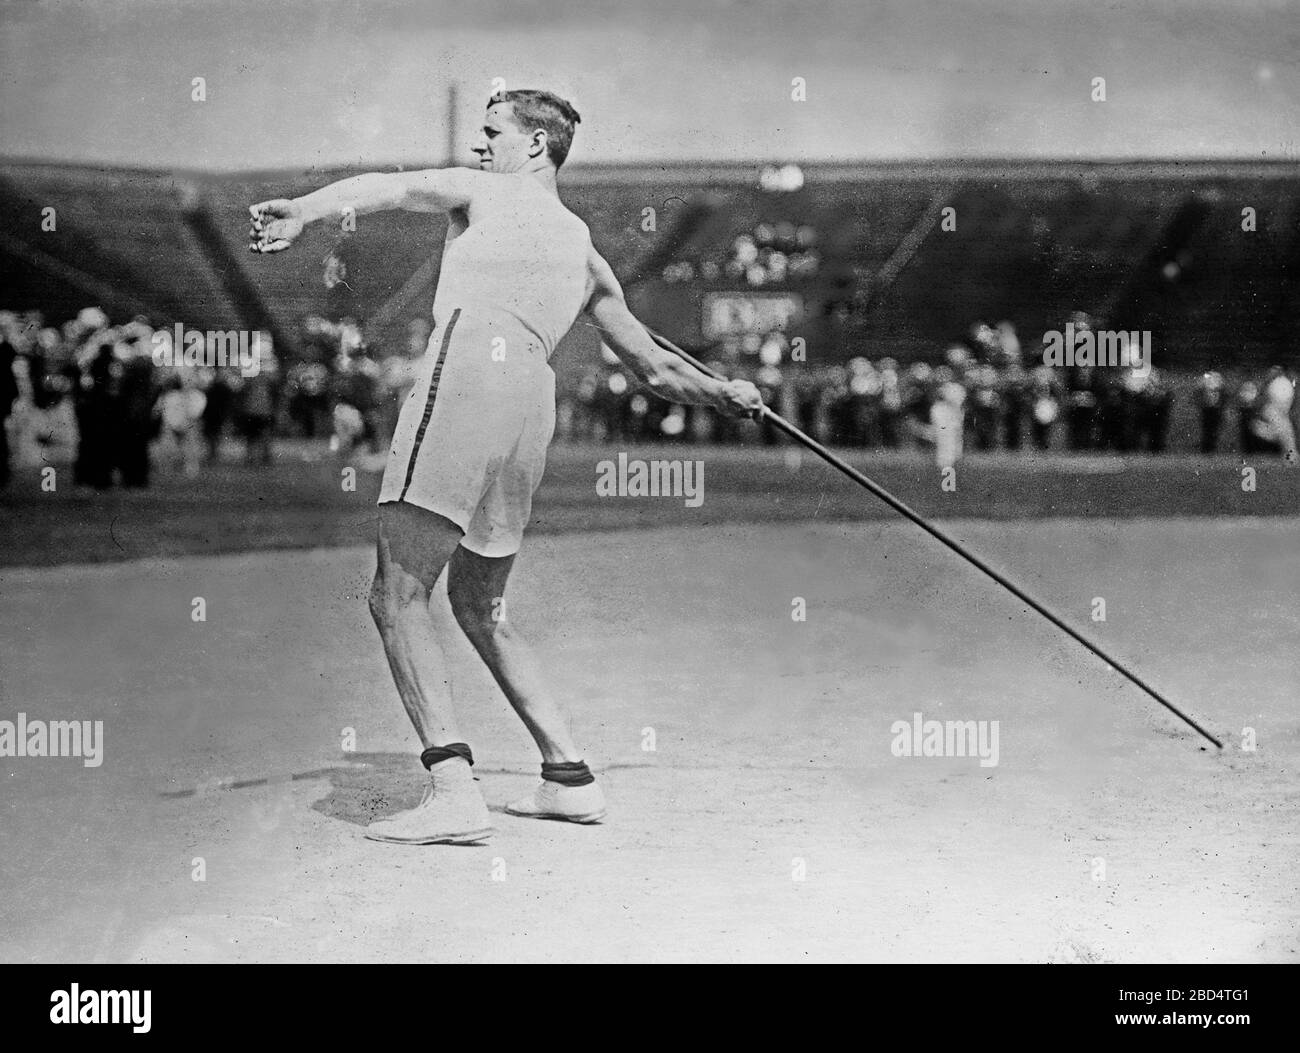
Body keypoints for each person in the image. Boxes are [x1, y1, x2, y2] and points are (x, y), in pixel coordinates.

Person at [249, 89, 762, 845]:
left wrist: (303, 208)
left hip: (470, 367)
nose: (481, 146)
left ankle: (453, 786)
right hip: (532, 396)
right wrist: (726, 393)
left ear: (536, 147)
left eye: (493, 133)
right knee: (480, 602)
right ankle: (568, 773)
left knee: (397, 590)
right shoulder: (586, 249)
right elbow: (652, 367)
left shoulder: (484, 191)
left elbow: (387, 188)